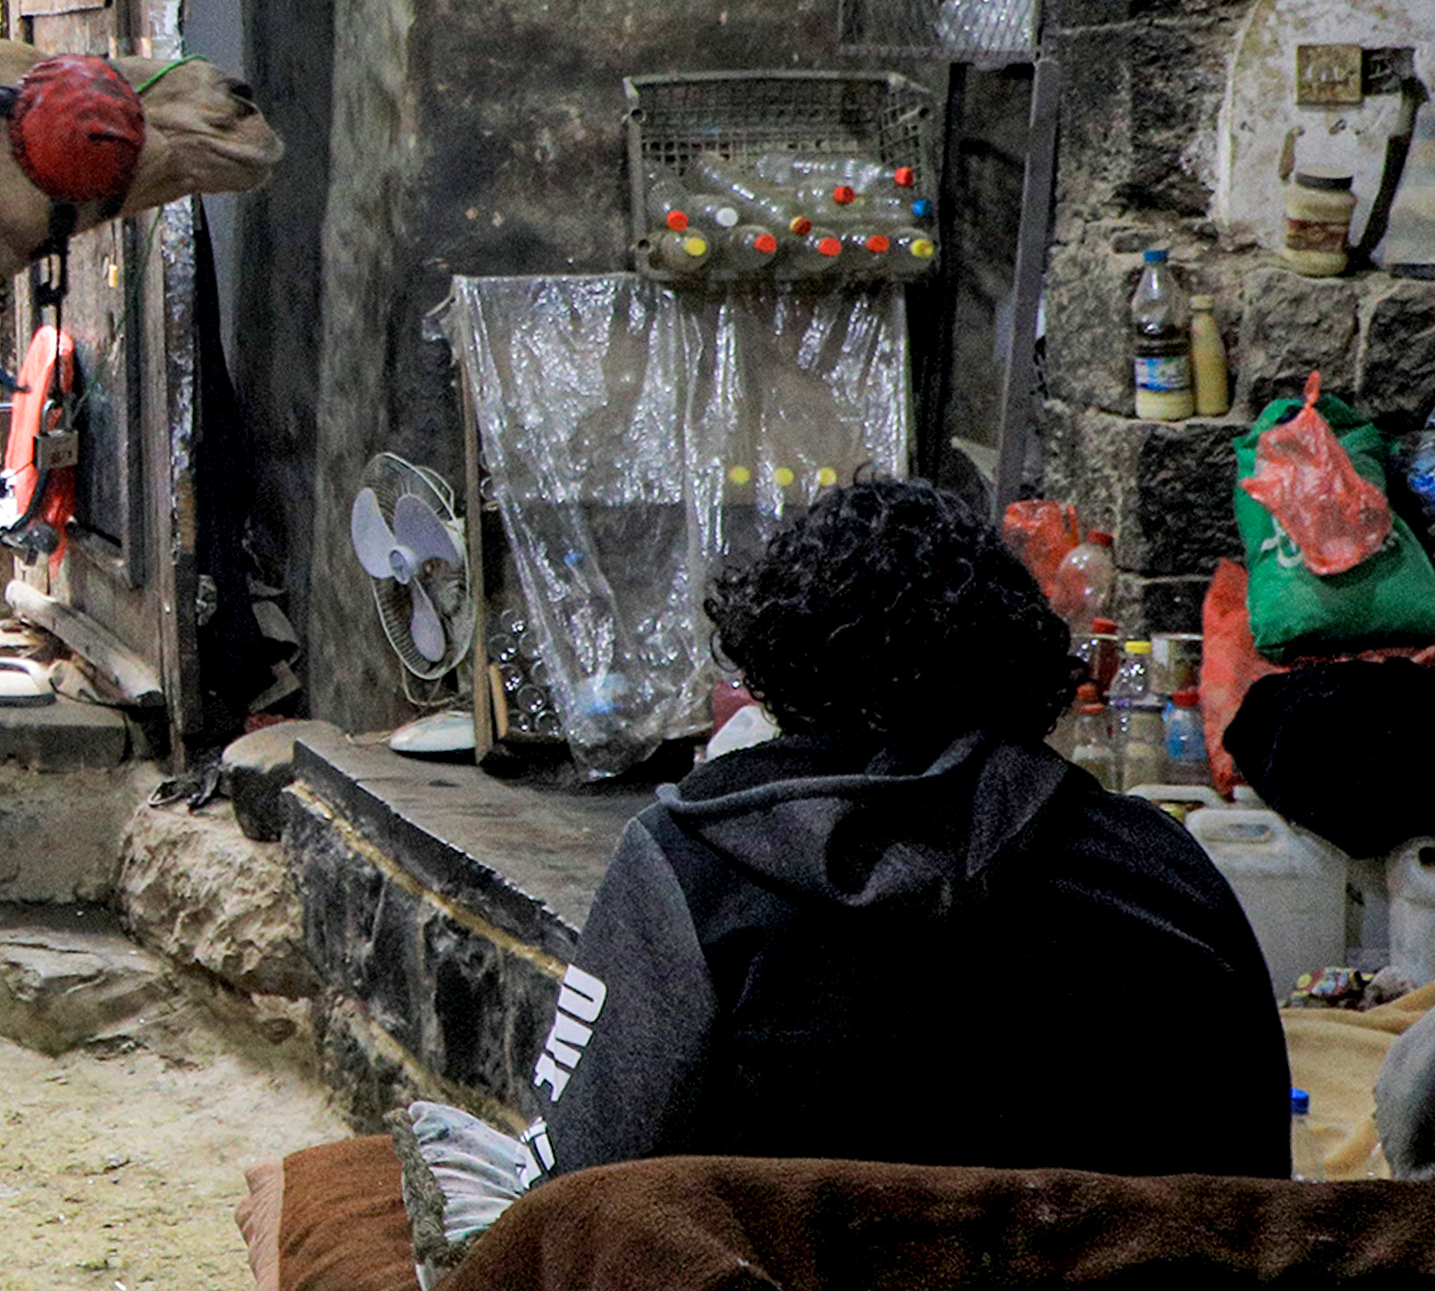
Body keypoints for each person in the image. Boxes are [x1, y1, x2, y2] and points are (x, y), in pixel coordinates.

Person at [533, 477, 1290, 1178]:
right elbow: (1256, 1182)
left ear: (774, 670)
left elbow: (577, 1186)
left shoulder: (687, 865)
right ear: (1017, 657)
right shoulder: (1159, 867)